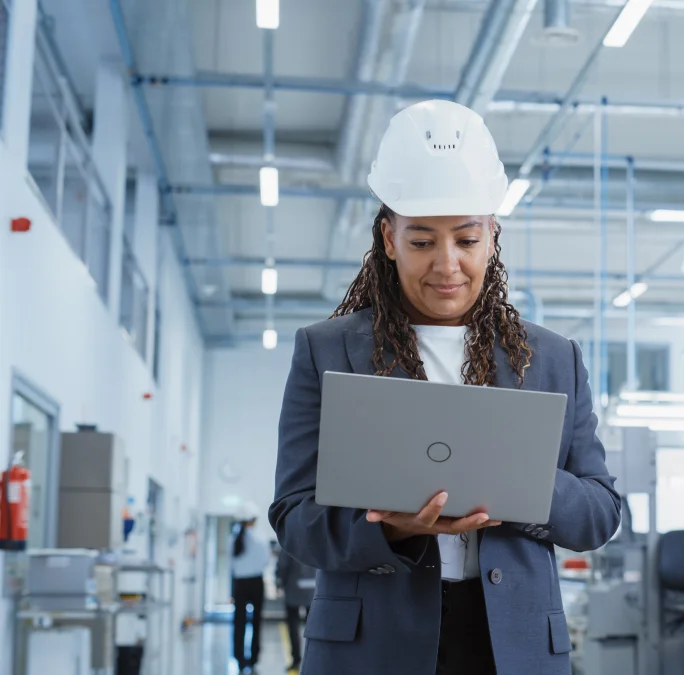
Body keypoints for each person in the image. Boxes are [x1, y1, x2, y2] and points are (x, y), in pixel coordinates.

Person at [270, 100, 621, 675]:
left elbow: (599, 513)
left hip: (513, 644)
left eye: (465, 239)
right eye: (422, 241)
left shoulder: (552, 358)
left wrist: (518, 479)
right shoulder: (328, 350)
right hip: (374, 645)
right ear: (389, 238)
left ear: (491, 237)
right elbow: (294, 517)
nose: (447, 264)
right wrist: (394, 529)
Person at [230, 503, 270, 674]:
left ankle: (239, 658)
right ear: (253, 521)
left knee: (238, 622)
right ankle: (253, 659)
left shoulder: (233, 539)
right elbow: (265, 561)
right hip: (255, 582)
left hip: (239, 583)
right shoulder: (260, 539)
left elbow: (230, 566)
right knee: (256, 622)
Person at [275, 548, 316, 671]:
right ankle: (313, 659)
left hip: (293, 589)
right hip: (313, 591)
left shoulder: (290, 542)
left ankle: (296, 660)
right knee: (314, 628)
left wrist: (279, 582)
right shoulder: (318, 540)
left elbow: (283, 565)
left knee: (293, 627)